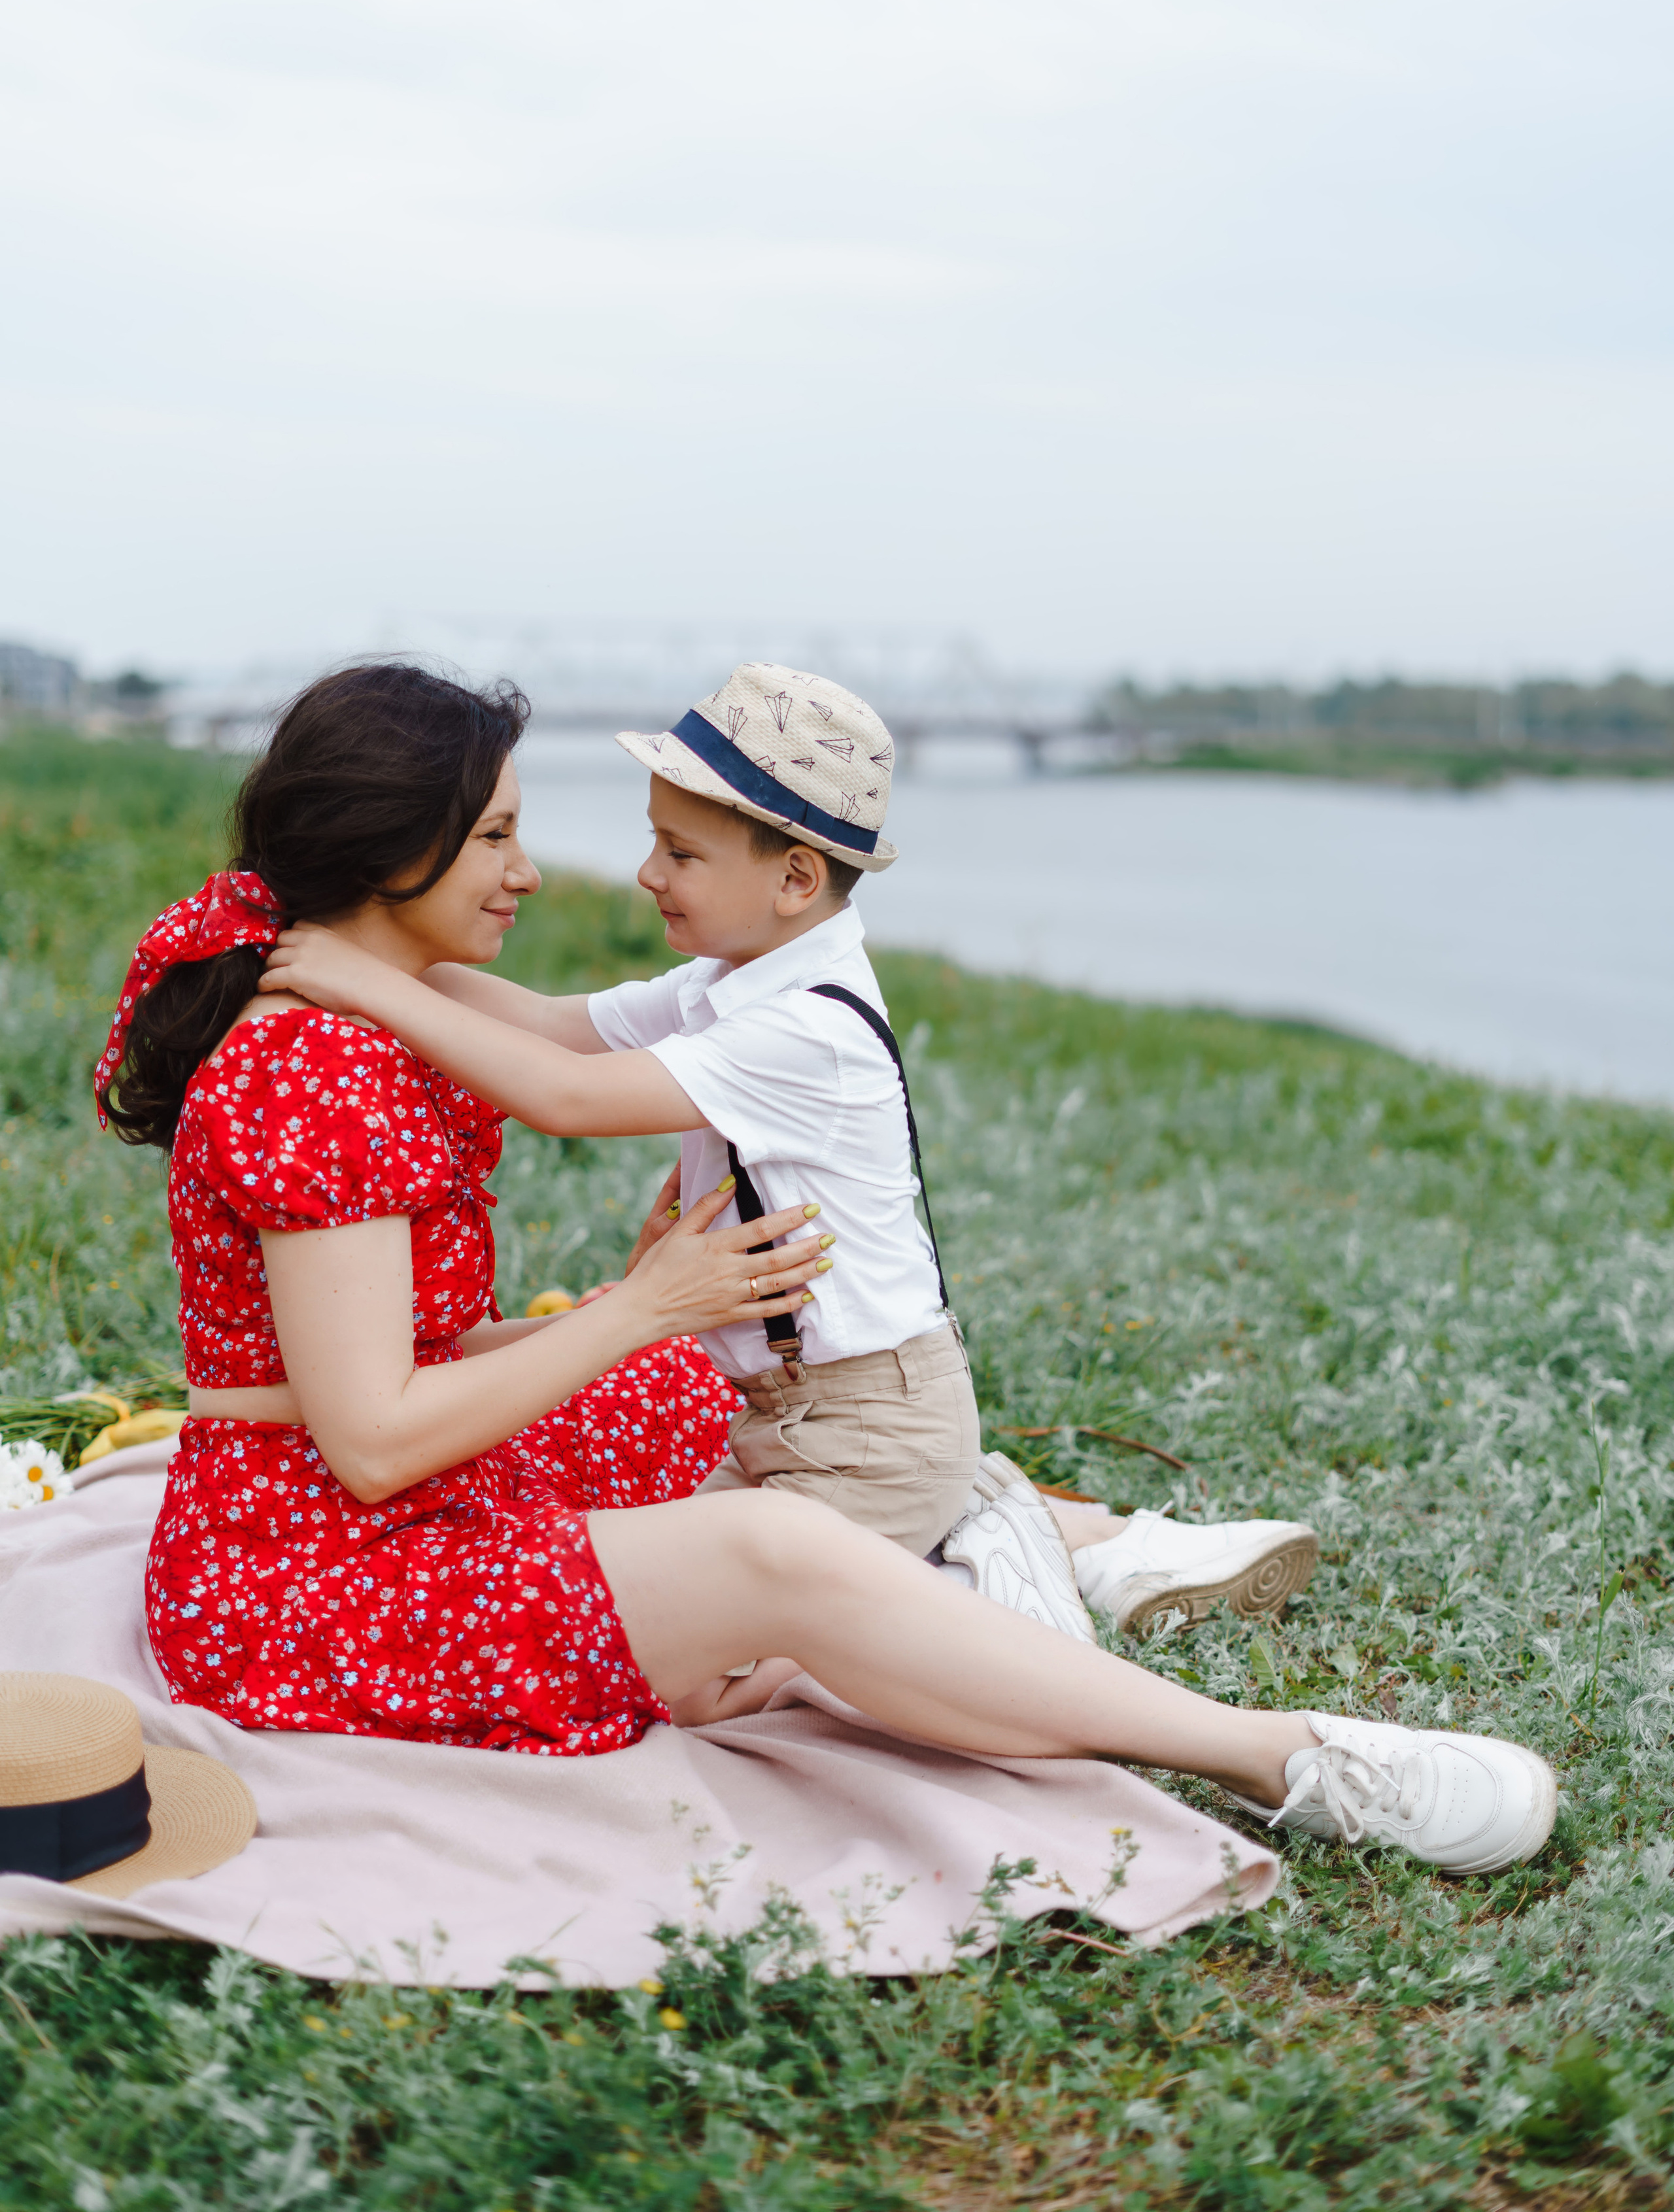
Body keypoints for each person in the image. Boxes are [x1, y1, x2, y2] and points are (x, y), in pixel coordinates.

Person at [97, 660, 1558, 1873]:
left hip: (378, 1510)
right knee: (772, 1534)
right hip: (311, 1579)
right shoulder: (320, 1070)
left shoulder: (378, 1026)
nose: (533, 871)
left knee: (688, 1392)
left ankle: (1066, 1543)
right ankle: (1277, 1760)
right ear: (385, 850)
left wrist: (637, 1320)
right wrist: (634, 1307)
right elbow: (371, 1440)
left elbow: (483, 1213)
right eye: (494, 837)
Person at [258, 659, 1320, 1645]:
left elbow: (568, 1095)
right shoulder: (730, 978)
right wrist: (364, 951)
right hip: (787, 1413)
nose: (645, 873)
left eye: (681, 854)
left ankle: (993, 1579)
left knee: (742, 1656)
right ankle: (978, 1539)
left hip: (869, 1419)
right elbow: (548, 1024)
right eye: (653, 841)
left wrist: (370, 988)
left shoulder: (802, 1028)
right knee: (672, 1608)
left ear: (796, 880)